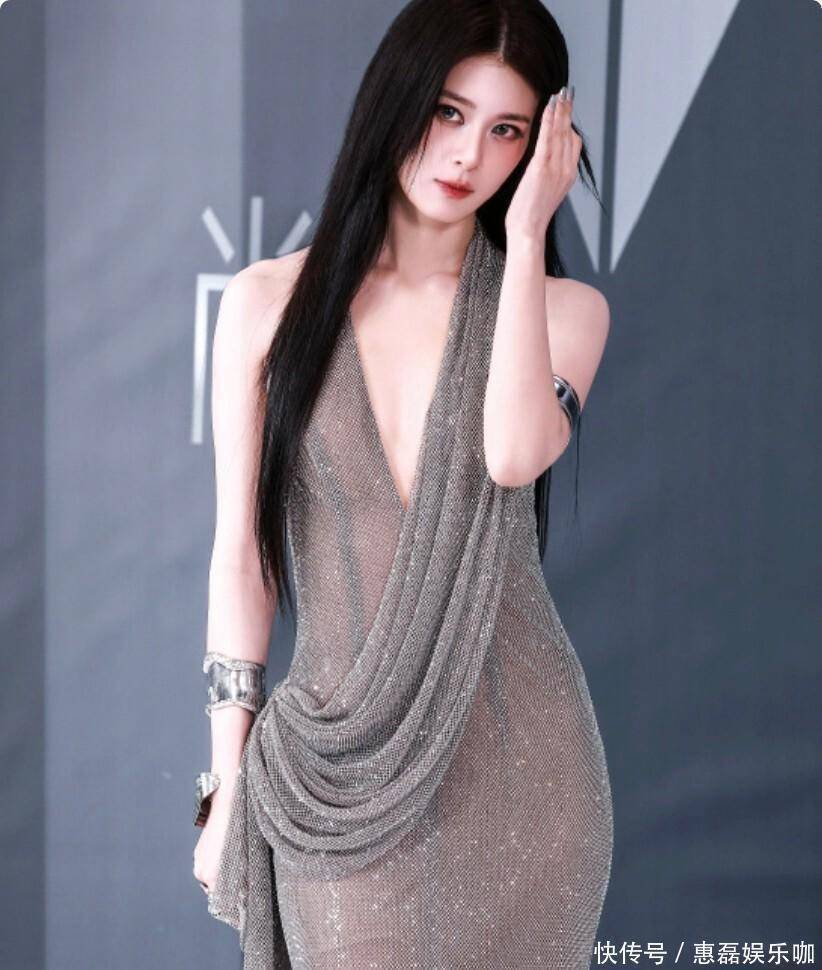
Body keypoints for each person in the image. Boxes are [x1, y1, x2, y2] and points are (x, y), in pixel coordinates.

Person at [192, 1, 613, 966]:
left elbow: (512, 454)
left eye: (506, 130)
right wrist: (226, 783)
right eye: (448, 111)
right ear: (397, 95)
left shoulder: (566, 311)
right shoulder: (267, 305)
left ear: (542, 147)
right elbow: (243, 560)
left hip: (529, 777)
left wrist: (529, 235)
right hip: (336, 772)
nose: (467, 153)